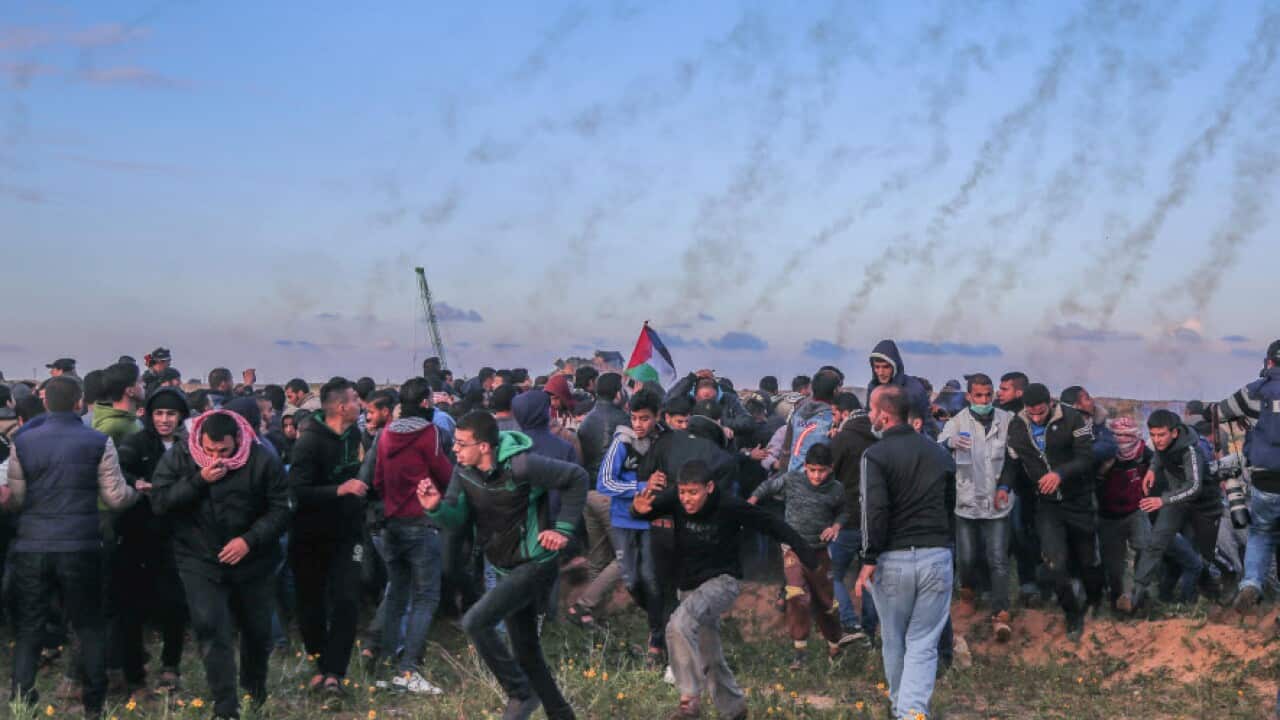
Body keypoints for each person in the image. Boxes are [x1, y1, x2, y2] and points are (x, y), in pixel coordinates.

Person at [418, 410, 587, 720]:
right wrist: (436, 509)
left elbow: (577, 478)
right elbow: (456, 520)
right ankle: (560, 714)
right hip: (503, 565)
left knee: (475, 621)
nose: (454, 449)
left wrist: (562, 529)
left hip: (536, 563)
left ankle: (521, 694)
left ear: (484, 446)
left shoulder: (522, 465)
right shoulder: (463, 472)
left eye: (461, 443)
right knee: (525, 652)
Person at [633, 458, 818, 720]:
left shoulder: (729, 505)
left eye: (693, 493)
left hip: (722, 582)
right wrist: (637, 510)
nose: (687, 499)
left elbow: (771, 524)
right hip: (688, 587)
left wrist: (806, 555)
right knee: (710, 656)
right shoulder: (676, 497)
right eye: (683, 492)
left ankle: (689, 701)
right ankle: (734, 709)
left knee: (677, 625)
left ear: (709, 487)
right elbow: (647, 510)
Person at [1, 376, 139, 717]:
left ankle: (22, 701)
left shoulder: (24, 440)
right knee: (88, 625)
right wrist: (140, 491)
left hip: (33, 545)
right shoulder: (98, 440)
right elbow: (116, 497)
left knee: (31, 627)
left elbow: (15, 499)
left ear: (45, 402)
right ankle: (94, 704)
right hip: (81, 544)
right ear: (80, 402)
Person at [150, 410, 291, 719]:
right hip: (198, 558)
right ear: (199, 441)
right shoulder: (181, 455)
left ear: (238, 441)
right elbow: (160, 501)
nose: (216, 459)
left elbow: (282, 508)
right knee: (212, 629)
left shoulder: (262, 458)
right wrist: (198, 480)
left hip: (253, 561)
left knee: (256, 631)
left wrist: (249, 540)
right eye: (209, 451)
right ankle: (225, 707)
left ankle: (255, 691)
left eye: (224, 452)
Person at [854, 385, 955, 720]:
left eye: (871, 410)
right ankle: (909, 711)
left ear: (884, 415)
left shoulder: (875, 455)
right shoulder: (940, 453)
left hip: (892, 559)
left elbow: (873, 510)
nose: (869, 416)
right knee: (924, 641)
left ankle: (905, 710)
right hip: (937, 556)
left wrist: (868, 558)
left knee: (894, 639)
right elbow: (948, 503)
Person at [360, 378, 451, 695]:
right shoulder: (431, 434)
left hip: (389, 523)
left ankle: (385, 668)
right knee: (426, 597)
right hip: (421, 522)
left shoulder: (384, 435)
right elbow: (445, 474)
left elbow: (376, 478)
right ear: (425, 403)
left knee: (397, 593)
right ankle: (408, 670)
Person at [1000, 383, 1100, 638]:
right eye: (1031, 412)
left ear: (1050, 404)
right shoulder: (1017, 426)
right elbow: (1013, 462)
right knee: (1055, 562)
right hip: (1047, 504)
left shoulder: (1072, 418)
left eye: (1041, 412)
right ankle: (1072, 614)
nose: (1036, 417)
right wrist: (1003, 487)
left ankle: (1096, 601)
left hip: (1078, 499)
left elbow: (1086, 458)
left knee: (1088, 559)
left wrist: (1060, 473)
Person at [288, 378, 367, 692]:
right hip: (310, 535)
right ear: (341, 406)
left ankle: (335, 671)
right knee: (311, 603)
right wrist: (340, 489)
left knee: (348, 600)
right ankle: (319, 664)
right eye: (355, 400)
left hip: (349, 534)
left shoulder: (355, 434)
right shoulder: (308, 441)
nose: (360, 405)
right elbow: (297, 491)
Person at [748, 443, 855, 667]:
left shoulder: (836, 490)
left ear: (831, 468)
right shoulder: (792, 480)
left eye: (822, 470)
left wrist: (835, 526)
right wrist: (750, 503)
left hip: (818, 551)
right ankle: (800, 651)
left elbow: (844, 511)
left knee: (825, 601)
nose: (816, 475)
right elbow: (767, 487)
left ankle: (835, 644)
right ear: (805, 466)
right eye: (812, 470)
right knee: (796, 594)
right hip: (792, 548)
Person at [115, 387, 191, 695]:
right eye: (159, 413)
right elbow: (119, 466)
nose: (164, 420)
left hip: (176, 535)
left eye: (171, 414)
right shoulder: (137, 442)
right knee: (132, 606)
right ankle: (134, 670)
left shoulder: (189, 446)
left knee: (175, 603)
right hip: (138, 535)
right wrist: (136, 482)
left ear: (181, 417)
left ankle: (170, 666)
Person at [938, 373, 1015, 641]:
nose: (984, 400)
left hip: (997, 502)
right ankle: (968, 593)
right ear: (969, 396)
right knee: (967, 557)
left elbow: (1013, 460)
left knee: (998, 559)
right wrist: (949, 443)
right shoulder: (958, 421)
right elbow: (936, 448)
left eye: (988, 395)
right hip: (967, 502)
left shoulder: (1007, 421)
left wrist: (1005, 487)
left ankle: (1001, 612)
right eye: (978, 396)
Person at [595, 389, 667, 663]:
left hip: (651, 522)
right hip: (623, 519)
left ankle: (657, 635)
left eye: (645, 419)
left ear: (657, 417)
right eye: (635, 418)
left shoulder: (663, 441)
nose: (639, 425)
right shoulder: (621, 443)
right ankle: (658, 618)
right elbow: (604, 483)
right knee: (630, 579)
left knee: (651, 577)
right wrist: (640, 486)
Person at [1128, 410, 1223, 609]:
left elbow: (1194, 487)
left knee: (1199, 557)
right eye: (1152, 435)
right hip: (1175, 501)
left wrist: (1162, 501)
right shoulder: (1162, 445)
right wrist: (1153, 469)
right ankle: (1135, 594)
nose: (1156, 440)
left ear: (1175, 433)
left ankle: (1197, 600)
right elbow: (1159, 455)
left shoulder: (1191, 452)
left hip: (1203, 506)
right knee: (1156, 543)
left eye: (1161, 435)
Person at [1220, 339, 1280, 612]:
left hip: (1265, 480)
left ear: (1269, 362)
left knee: (1261, 533)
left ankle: (1251, 585)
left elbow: (1219, 412)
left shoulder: (1253, 392)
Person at [829, 408, 880, 640]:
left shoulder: (841, 439)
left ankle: (849, 623)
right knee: (869, 576)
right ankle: (869, 631)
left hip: (846, 519)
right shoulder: (879, 441)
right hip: (873, 520)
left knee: (834, 574)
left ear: (844, 413)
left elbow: (829, 477)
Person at [1095, 417, 1152, 611]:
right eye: (1117, 436)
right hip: (1108, 515)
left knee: (1144, 549)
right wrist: (1103, 471)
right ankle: (1117, 600)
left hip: (1136, 509)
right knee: (1113, 563)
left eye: (1127, 436)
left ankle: (1141, 595)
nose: (1123, 441)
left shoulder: (1144, 453)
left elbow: (1157, 472)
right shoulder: (1103, 454)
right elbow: (1091, 483)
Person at [867, 340, 937, 438]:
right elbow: (868, 419)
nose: (880, 372)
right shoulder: (873, 387)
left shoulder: (914, 389)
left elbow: (928, 424)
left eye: (885, 367)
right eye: (877, 367)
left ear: (895, 366)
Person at [92, 361, 144, 447]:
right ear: (130, 391)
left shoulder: (132, 420)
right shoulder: (111, 426)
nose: (144, 384)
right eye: (139, 381)